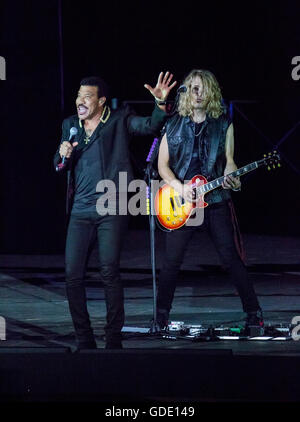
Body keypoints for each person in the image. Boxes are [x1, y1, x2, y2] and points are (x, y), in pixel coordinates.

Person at [54, 72, 176, 350]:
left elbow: (149, 126)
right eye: (78, 96)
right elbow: (58, 164)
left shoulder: (119, 119)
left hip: (112, 204)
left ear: (101, 101)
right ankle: (84, 339)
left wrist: (160, 105)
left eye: (87, 97)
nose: (80, 102)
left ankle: (113, 339)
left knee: (109, 271)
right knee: (72, 274)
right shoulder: (70, 125)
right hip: (80, 210)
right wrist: (62, 155)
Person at [156, 69, 263, 332]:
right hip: (181, 202)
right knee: (171, 262)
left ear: (211, 92)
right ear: (186, 92)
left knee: (231, 258)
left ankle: (254, 312)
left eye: (202, 87)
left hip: (214, 199)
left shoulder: (223, 123)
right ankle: (160, 317)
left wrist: (233, 176)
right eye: (192, 87)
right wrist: (180, 187)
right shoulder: (173, 123)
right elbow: (162, 166)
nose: (197, 92)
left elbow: (229, 162)